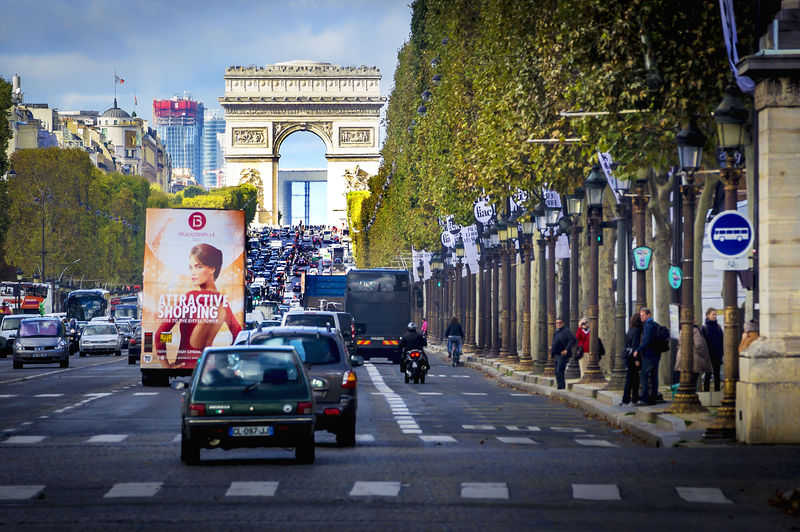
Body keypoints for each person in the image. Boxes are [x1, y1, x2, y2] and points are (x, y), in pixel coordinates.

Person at [155, 243, 242, 370]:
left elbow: (161, 334)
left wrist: (166, 365)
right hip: (208, 367)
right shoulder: (222, 302)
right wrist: (225, 361)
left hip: (185, 365)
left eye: (198, 267)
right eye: (191, 268)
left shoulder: (191, 297)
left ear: (212, 269)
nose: (193, 273)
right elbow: (239, 335)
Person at [633, 307, 660, 405]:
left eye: (643, 315)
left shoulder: (648, 326)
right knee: (654, 377)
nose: (641, 317)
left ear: (649, 315)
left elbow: (646, 341)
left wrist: (638, 350)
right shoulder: (655, 325)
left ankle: (645, 399)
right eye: (641, 315)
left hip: (649, 354)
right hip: (656, 353)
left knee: (644, 376)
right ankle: (653, 398)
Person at [675, 323, 712, 388]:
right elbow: (698, 344)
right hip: (694, 357)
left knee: (685, 377)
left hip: (682, 357)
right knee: (694, 377)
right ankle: (692, 391)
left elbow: (679, 343)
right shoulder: (695, 330)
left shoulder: (682, 330)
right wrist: (703, 354)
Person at [620, 313, 642, 406]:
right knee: (634, 380)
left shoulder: (630, 330)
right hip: (632, 357)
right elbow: (635, 345)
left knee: (630, 379)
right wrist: (636, 359)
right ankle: (633, 399)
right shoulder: (637, 331)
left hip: (628, 356)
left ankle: (626, 399)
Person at [701, 308, 724, 392]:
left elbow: (721, 341)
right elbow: (703, 343)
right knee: (708, 374)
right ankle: (706, 392)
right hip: (708, 355)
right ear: (708, 315)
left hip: (717, 355)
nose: (715, 316)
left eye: (715, 314)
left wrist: (721, 353)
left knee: (717, 374)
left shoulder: (718, 327)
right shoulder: (704, 328)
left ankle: (717, 392)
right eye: (713, 314)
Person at [551, 317, 575, 390]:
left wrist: (566, 349)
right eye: (557, 323)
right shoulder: (556, 332)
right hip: (556, 354)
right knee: (556, 371)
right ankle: (559, 386)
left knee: (560, 370)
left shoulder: (566, 331)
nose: (558, 324)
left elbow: (572, 340)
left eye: (560, 322)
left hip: (562, 354)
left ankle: (562, 386)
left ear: (563, 323)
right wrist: (552, 346)